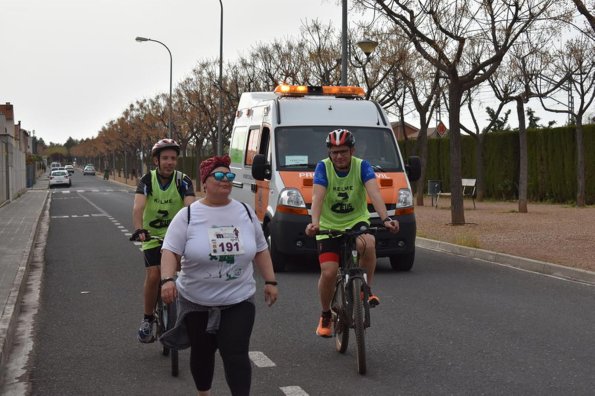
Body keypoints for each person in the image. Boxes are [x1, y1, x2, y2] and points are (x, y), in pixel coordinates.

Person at [160, 155, 278, 396]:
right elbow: (170, 251)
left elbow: (261, 248)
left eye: (230, 176)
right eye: (220, 176)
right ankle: (204, 392)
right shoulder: (188, 216)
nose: (226, 180)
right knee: (202, 354)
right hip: (196, 302)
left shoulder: (244, 211)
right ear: (205, 182)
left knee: (235, 353)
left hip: (238, 300)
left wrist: (270, 281)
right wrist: (167, 280)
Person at [305, 129, 399, 337]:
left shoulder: (362, 166)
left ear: (352, 150)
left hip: (356, 221)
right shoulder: (323, 167)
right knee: (329, 272)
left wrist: (386, 219)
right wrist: (314, 223)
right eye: (335, 152)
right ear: (329, 152)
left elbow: (374, 193)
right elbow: (317, 197)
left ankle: (365, 290)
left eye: (344, 152)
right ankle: (326, 314)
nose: (339, 156)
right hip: (328, 224)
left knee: (368, 244)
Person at [132, 138, 195, 343]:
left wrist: (191, 227)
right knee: (153, 275)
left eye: (173, 158)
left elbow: (189, 207)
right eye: (165, 158)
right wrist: (139, 229)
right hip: (152, 236)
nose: (169, 162)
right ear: (156, 161)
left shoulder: (182, 180)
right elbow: (138, 207)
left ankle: (189, 313)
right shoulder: (147, 180)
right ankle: (148, 319)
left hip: (176, 236)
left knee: (181, 274)